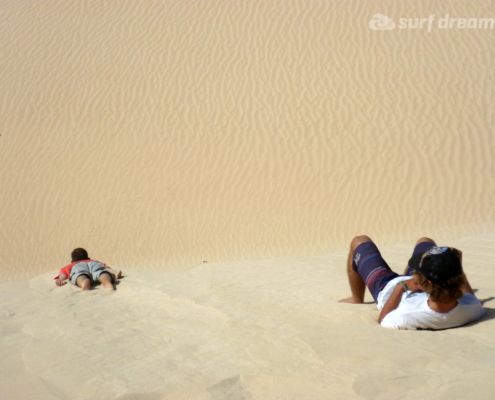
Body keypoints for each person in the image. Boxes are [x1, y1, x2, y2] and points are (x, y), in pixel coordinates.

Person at [339, 235, 486, 330]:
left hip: (387, 286)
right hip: (426, 285)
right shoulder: (472, 308)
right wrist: (454, 266)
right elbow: (468, 295)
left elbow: (383, 319)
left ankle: (357, 300)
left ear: (427, 282)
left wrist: (401, 286)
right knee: (425, 241)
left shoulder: (408, 315)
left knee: (359, 241)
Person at [54, 248, 122, 291]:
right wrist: (115, 273)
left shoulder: (71, 265)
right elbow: (106, 268)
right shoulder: (95, 261)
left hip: (78, 267)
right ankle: (105, 280)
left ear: (72, 261)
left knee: (79, 275)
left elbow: (63, 274)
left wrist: (60, 280)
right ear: (88, 258)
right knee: (101, 272)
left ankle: (83, 282)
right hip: (94, 264)